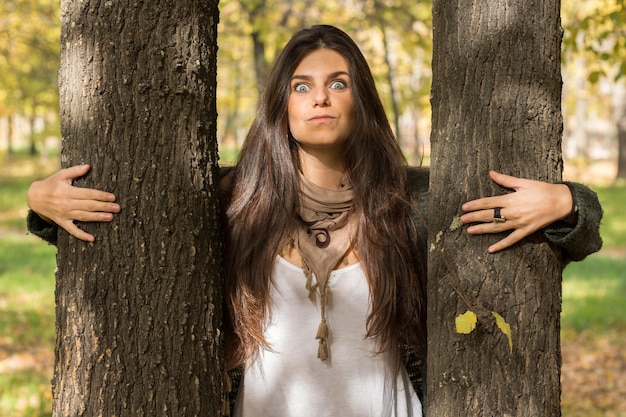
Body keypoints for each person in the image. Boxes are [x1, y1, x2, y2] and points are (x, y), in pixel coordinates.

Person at [26, 25, 603, 417]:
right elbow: (133, 221)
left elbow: (572, 232)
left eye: (338, 83)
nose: (320, 98)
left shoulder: (411, 200)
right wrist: (41, 202)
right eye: (302, 86)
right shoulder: (235, 199)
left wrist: (568, 206)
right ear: (283, 103)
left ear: (360, 101)